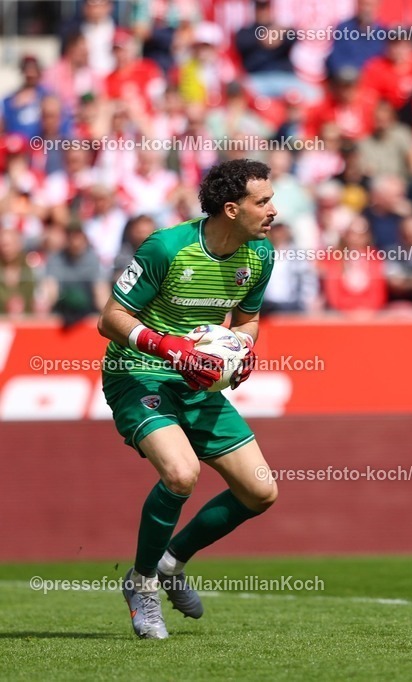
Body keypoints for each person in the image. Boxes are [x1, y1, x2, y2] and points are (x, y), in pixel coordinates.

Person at [97, 159, 278, 639]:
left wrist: (242, 350)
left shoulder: (260, 255)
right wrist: (168, 346)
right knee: (181, 473)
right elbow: (110, 319)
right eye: (263, 202)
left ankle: (171, 561)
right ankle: (142, 584)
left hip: (196, 381)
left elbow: (245, 321)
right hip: (138, 374)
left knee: (260, 491)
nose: (273, 210)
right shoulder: (168, 247)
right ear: (231, 209)